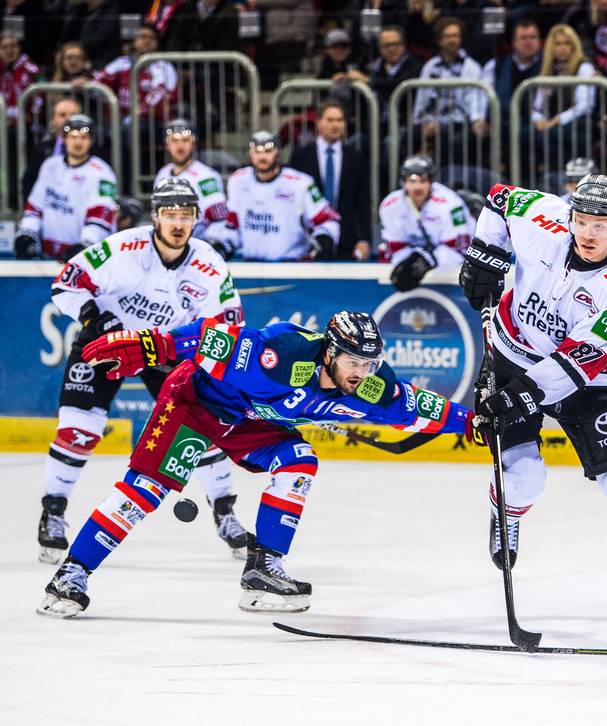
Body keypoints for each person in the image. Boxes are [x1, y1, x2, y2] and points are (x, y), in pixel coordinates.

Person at [37, 310, 482, 618]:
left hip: (250, 423)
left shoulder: (367, 386)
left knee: (298, 459)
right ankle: (72, 574)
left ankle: (263, 569)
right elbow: (213, 338)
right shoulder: (284, 353)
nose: (361, 372)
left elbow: (415, 407)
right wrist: (157, 345)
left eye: (369, 363)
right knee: (146, 492)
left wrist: (474, 423)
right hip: (195, 406)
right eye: (353, 361)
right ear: (329, 353)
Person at [457, 174, 607, 611]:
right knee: (524, 479)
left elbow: (579, 362)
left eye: (601, 225)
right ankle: (506, 512)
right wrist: (485, 253)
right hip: (510, 355)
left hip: (582, 380)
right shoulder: (545, 218)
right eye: (581, 221)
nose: (588, 234)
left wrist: (519, 395)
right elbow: (500, 198)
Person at [37, 178, 249, 567]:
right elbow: (67, 281)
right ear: (155, 216)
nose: (178, 223)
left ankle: (225, 512)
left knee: (199, 430)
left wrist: (205, 359)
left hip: (162, 349)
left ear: (196, 218)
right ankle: (52, 512)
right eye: (170, 214)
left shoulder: (210, 264)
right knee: (79, 430)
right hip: (105, 344)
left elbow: (230, 326)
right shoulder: (123, 248)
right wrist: (94, 317)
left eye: (186, 215)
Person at [16, 114, 119, 262]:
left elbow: (102, 217)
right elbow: (35, 208)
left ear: (91, 141)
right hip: (49, 254)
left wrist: (85, 245)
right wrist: (27, 233)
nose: (78, 142)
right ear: (64, 139)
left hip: (87, 259)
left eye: (84, 137)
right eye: (73, 136)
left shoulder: (103, 173)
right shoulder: (50, 166)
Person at [225, 131, 341, 261]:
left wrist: (324, 242)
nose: (262, 156)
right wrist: (223, 244)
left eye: (268, 151)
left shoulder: (300, 183)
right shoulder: (237, 181)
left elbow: (329, 220)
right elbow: (231, 226)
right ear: (250, 154)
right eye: (257, 151)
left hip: (291, 266)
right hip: (250, 265)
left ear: (277, 153)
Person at [288, 99, 372, 260]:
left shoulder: (356, 158)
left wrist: (364, 239)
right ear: (318, 122)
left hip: (346, 240)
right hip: (309, 239)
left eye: (339, 120)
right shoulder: (301, 156)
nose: (335, 125)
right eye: (330, 120)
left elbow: (363, 202)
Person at [381, 155, 475, 291]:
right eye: (412, 181)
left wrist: (429, 260)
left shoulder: (450, 204)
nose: (417, 187)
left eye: (423, 180)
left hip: (452, 272)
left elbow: (460, 249)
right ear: (404, 182)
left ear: (431, 182)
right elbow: (396, 248)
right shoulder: (390, 205)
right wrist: (406, 265)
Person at [154, 118, 235, 259]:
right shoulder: (163, 174)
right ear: (167, 145)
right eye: (174, 140)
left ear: (193, 144)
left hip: (196, 250)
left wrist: (208, 247)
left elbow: (219, 217)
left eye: (185, 140)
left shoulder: (206, 176)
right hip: (167, 248)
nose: (180, 146)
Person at [412, 16, 490, 163]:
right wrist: (422, 121)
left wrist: (477, 119)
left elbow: (475, 98)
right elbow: (422, 98)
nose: (452, 40)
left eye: (455, 36)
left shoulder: (472, 67)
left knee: (452, 138)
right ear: (439, 40)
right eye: (447, 36)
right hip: (431, 120)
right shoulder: (430, 66)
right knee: (406, 136)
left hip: (459, 122)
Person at [93, 23, 179, 121]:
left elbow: (162, 94)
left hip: (150, 121)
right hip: (119, 119)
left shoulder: (165, 66)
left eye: (152, 38)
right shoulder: (121, 62)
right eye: (143, 37)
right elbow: (98, 84)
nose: (147, 41)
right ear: (134, 41)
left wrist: (138, 114)